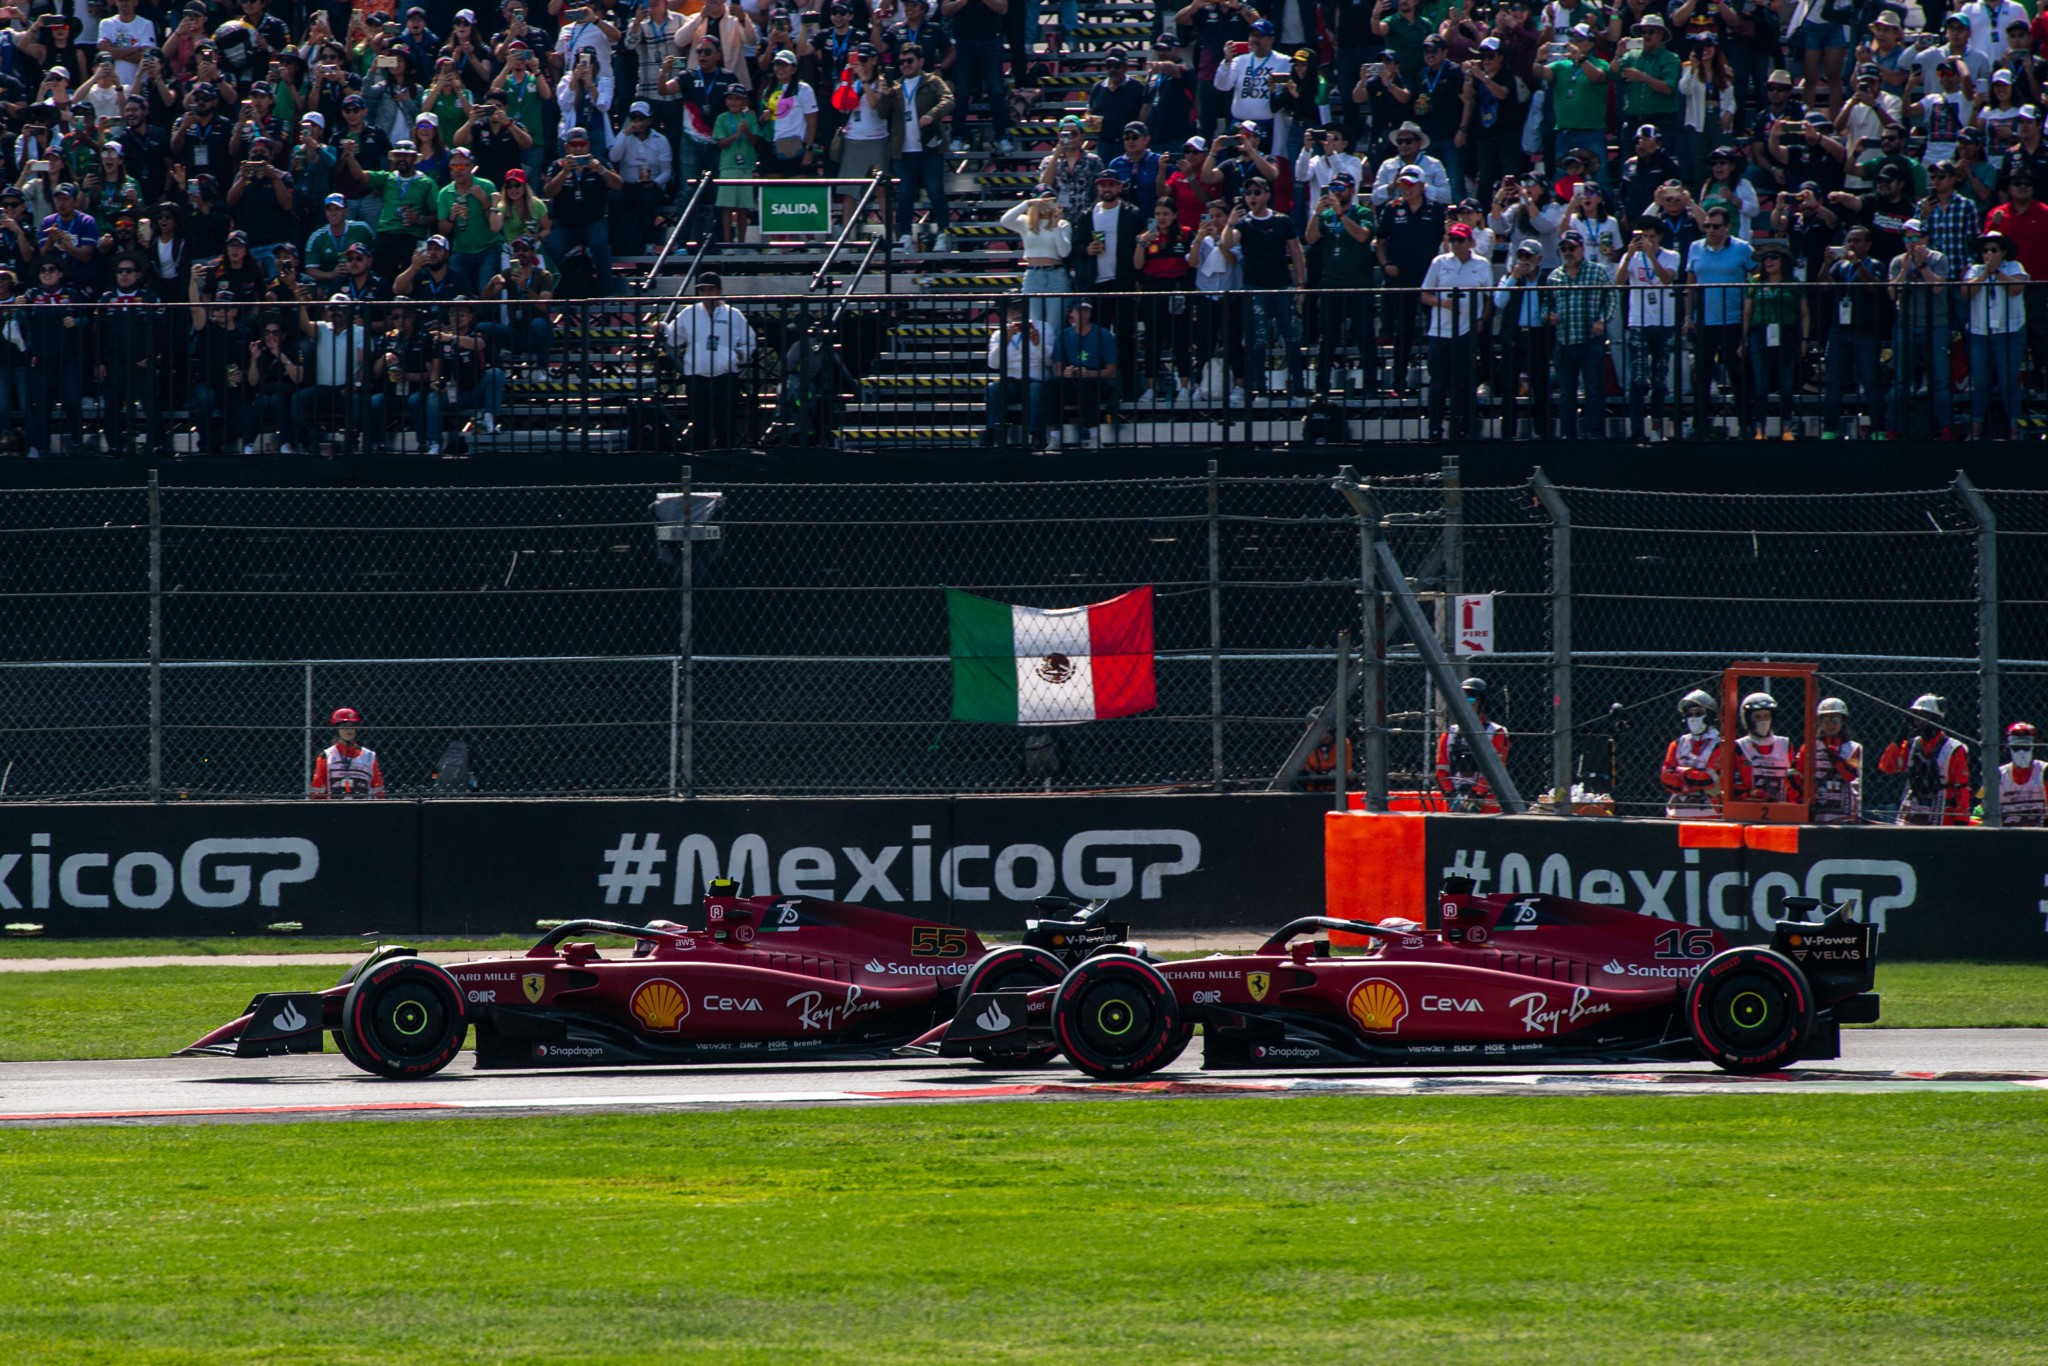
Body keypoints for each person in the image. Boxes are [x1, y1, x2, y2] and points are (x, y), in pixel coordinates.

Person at [1220, 175, 1306, 400]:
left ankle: (1299, 388)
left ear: (1267, 195)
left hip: (1282, 286)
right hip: (1255, 288)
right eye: (1248, 193)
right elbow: (1227, 242)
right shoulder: (1243, 223)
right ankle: (1261, 390)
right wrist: (1229, 223)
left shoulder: (1282, 220)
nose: (1252, 197)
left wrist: (1300, 284)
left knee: (1291, 338)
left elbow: (1296, 252)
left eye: (1257, 193)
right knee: (1257, 341)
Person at [663, 271, 756, 450]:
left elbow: (749, 341)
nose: (706, 294)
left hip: (725, 376)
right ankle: (701, 461)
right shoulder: (689, 313)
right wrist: (661, 327)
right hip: (697, 376)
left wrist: (740, 355)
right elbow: (674, 338)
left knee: (725, 424)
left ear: (719, 291)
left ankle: (726, 460)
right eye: (702, 290)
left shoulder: (734, 315)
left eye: (710, 290)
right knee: (700, 425)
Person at [1419, 219, 1491, 439]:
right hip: (1439, 331)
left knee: (1465, 383)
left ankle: (1464, 427)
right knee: (1438, 383)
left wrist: (1481, 320)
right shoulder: (1439, 262)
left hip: (1467, 332)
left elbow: (1489, 297)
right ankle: (1435, 428)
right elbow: (1425, 294)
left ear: (1471, 242)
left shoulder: (1482, 264)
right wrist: (1442, 303)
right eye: (1452, 240)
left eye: (1460, 240)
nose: (1456, 244)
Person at [1305, 172, 1375, 394]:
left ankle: (1371, 385)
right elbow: (1310, 239)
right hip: (1331, 283)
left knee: (1364, 336)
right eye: (1333, 188)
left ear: (1352, 190)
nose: (1336, 192)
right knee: (1328, 337)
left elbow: (1362, 236)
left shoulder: (1363, 212)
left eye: (1341, 188)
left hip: (1359, 283)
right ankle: (1322, 386)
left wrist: (1341, 214)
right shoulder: (1325, 215)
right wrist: (1317, 214)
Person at [882, 44, 954, 254]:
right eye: (902, 62)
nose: (905, 65)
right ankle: (904, 237)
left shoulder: (932, 81)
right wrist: (884, 95)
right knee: (904, 196)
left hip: (929, 148)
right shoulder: (895, 87)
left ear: (921, 61)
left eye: (910, 61)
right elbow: (882, 114)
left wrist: (932, 114)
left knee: (935, 193)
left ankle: (944, 234)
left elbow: (949, 100)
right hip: (903, 151)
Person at [1888, 218, 1954, 441]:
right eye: (1907, 238)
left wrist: (1922, 265)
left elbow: (1937, 288)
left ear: (1925, 238)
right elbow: (1893, 293)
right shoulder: (1898, 261)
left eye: (1915, 237)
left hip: (1936, 324)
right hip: (1906, 324)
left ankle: (1945, 427)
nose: (1911, 242)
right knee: (1900, 379)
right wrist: (1905, 269)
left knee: (1940, 379)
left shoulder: (1938, 258)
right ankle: (1893, 427)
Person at [1546, 227, 1614, 438]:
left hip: (1591, 340)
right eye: (1564, 249)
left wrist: (1602, 320)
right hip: (1565, 341)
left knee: (1594, 390)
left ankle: (1595, 434)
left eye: (1572, 248)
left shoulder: (1598, 271)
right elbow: (1545, 305)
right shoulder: (1554, 276)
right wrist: (1548, 316)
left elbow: (1611, 298)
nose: (1568, 252)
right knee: (1567, 393)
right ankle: (1568, 436)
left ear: (1582, 249)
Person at [1962, 230, 2029, 437]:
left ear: (2003, 252)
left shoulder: (2014, 267)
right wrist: (1985, 273)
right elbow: (1966, 292)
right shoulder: (1974, 270)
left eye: (1993, 250)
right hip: (1980, 332)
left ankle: (2015, 427)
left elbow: (2016, 288)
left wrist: (1997, 272)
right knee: (1980, 382)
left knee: (2008, 381)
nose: (1989, 254)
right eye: (1985, 250)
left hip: (2009, 331)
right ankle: (1976, 427)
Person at [544, 126, 622, 296]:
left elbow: (618, 185)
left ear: (589, 145)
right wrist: (564, 173)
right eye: (574, 145)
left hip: (593, 222)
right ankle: (550, 294)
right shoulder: (557, 166)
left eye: (582, 144)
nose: (578, 148)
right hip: (565, 224)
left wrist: (601, 171)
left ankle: (607, 292)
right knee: (552, 247)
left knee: (599, 243)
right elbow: (548, 192)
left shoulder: (600, 163)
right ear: (566, 147)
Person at [1742, 242, 1807, 440]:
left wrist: (1804, 339)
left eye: (1773, 257)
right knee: (1760, 384)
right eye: (1765, 258)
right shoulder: (1756, 281)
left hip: (1786, 333)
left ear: (1783, 261)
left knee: (1786, 384)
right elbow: (1747, 312)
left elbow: (1804, 313)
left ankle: (1787, 427)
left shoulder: (1793, 282)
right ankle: (1759, 429)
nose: (1769, 261)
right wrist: (1743, 340)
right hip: (1759, 333)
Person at [1878, 694, 1972, 826]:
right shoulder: (1911, 745)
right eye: (1916, 717)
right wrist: (1899, 739)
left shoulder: (1954, 748)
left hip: (1942, 810)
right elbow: (1887, 767)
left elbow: (1961, 786)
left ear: (1936, 719)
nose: (1918, 722)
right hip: (1913, 807)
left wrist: (1961, 820)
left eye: (1923, 717)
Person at [1050, 298, 1118, 450]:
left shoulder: (1103, 334)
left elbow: (1111, 371)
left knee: (1085, 383)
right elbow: (1058, 370)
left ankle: (1094, 435)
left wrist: (1090, 373)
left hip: (1098, 384)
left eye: (1086, 310)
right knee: (1056, 383)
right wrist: (1067, 373)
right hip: (1074, 384)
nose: (1083, 314)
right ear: (1071, 313)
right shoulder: (1063, 335)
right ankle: (1054, 435)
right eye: (1079, 310)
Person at [983, 295, 1050, 447]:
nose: (1017, 314)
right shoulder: (999, 334)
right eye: (1012, 311)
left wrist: (1038, 344)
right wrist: (1004, 341)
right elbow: (993, 364)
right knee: (993, 389)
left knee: (1035, 389)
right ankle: (995, 433)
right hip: (1013, 383)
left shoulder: (1043, 328)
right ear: (1005, 314)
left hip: (1038, 380)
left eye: (1020, 309)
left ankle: (1036, 435)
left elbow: (1050, 361)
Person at [1435, 677, 1510, 812]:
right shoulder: (1449, 733)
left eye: (1471, 700)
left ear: (1482, 702)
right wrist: (1451, 795)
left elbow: (1497, 770)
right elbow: (1442, 770)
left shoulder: (1496, 732)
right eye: (1463, 700)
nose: (1466, 704)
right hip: (1455, 798)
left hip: (1486, 800)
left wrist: (1475, 795)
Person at [1798, 696, 1863, 824]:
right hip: (1817, 810)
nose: (1830, 725)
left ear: (1842, 721)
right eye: (1826, 720)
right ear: (1820, 722)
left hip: (1845, 811)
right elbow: (1798, 774)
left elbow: (1852, 776)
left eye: (1835, 720)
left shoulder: (1854, 748)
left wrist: (1837, 760)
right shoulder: (1809, 747)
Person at [1661, 687, 1723, 816]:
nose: (1693, 718)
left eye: (1699, 713)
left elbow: (1709, 780)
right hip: (1676, 813)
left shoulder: (1720, 744)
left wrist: (1680, 773)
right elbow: (1666, 779)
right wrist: (1695, 777)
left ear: (1709, 715)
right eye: (1690, 714)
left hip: (1709, 813)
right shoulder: (1677, 744)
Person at [1731, 690, 1792, 803]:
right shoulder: (1739, 747)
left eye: (1766, 716)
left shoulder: (1785, 745)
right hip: (1749, 807)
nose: (1763, 721)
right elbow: (1735, 785)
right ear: (1747, 719)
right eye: (1757, 717)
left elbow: (1793, 782)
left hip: (1781, 808)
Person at [311, 706, 385, 799]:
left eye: (352, 726)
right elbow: (318, 793)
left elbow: (378, 791)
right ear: (336, 729)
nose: (349, 730)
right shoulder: (326, 756)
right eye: (344, 726)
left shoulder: (369, 756)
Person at [1998, 721, 2046, 827]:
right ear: (2008, 748)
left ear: (2035, 747)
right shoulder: (1999, 774)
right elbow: (1980, 810)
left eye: (2025, 747)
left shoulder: (2044, 771)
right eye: (2016, 747)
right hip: (2006, 833)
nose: (2021, 752)